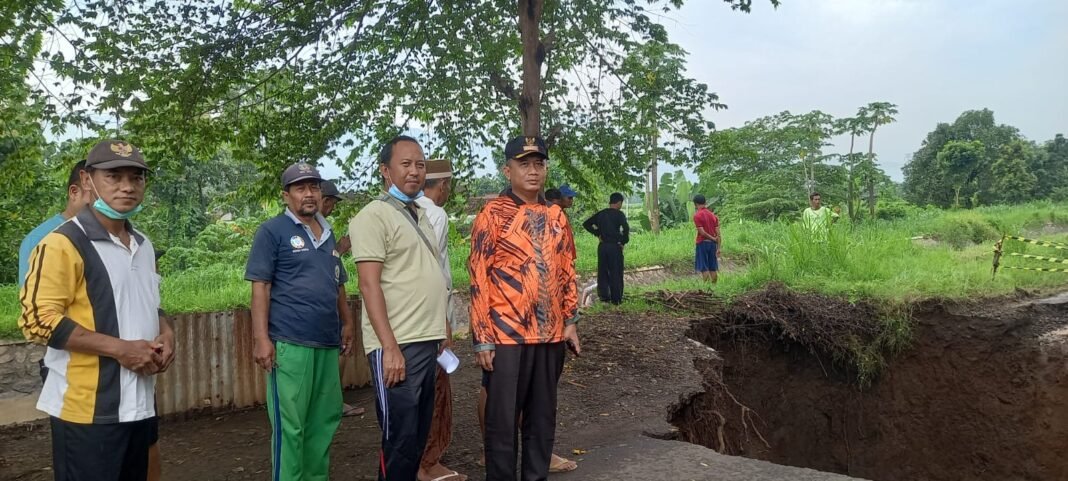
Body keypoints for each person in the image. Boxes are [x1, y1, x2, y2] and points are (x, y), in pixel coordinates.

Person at [19, 139, 175, 481]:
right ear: (87, 181)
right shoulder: (62, 244)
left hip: (139, 405)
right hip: (86, 411)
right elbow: (37, 320)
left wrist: (166, 332)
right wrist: (120, 349)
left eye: (136, 177)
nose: (127, 187)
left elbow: (150, 303)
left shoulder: (143, 244)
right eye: (113, 176)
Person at [470, 135, 581, 481]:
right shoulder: (492, 214)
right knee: (502, 425)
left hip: (550, 336)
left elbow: (567, 270)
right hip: (507, 337)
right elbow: (478, 276)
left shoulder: (556, 215)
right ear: (508, 170)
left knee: (542, 421)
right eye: (524, 164)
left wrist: (571, 321)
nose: (533, 171)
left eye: (539, 164)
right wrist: (483, 337)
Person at [245, 163, 356, 481]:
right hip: (290, 343)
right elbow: (261, 286)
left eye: (314, 187)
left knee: (324, 422)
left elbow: (337, 282)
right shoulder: (272, 231)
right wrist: (261, 339)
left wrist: (347, 322)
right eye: (300, 188)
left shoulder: (328, 233)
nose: (309, 194)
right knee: (290, 427)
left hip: (327, 342)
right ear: (286, 195)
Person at [349, 136, 449, 481]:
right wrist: (389, 348)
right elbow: (369, 285)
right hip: (397, 344)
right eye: (405, 164)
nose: (414, 171)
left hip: (425, 338)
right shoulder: (373, 216)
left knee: (417, 435)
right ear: (385, 170)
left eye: (420, 165)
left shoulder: (419, 214)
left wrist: (441, 326)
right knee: (400, 439)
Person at [414, 159, 467, 481]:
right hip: (431, 320)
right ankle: (428, 463)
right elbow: (432, 271)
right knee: (435, 393)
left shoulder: (402, 211)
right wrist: (443, 323)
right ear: (443, 185)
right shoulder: (433, 214)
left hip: (411, 320)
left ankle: (416, 460)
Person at [319, 180, 366, 419]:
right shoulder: (318, 230)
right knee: (337, 351)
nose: (332, 209)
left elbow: (333, 271)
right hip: (321, 306)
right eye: (331, 204)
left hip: (328, 303)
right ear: (325, 201)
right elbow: (325, 265)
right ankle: (332, 402)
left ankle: (331, 401)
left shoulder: (324, 229)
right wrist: (341, 249)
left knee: (338, 349)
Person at [18, 161, 91, 288]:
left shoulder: (116, 236)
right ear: (74, 192)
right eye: (96, 196)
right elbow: (34, 296)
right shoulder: (39, 239)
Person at [582, 192, 630, 305]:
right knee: (616, 272)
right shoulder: (619, 215)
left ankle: (604, 297)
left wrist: (597, 233)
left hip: (603, 247)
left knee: (603, 271)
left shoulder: (601, 214)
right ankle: (616, 299)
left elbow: (586, 224)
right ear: (619, 202)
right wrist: (623, 241)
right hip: (615, 246)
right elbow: (626, 229)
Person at [692, 195, 721, 284]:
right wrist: (718, 247)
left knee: (704, 267)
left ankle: (707, 288)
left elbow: (702, 232)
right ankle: (714, 287)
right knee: (713, 267)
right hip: (712, 245)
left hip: (702, 244)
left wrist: (713, 239)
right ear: (705, 203)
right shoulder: (713, 216)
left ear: (695, 204)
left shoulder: (697, 215)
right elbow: (718, 234)